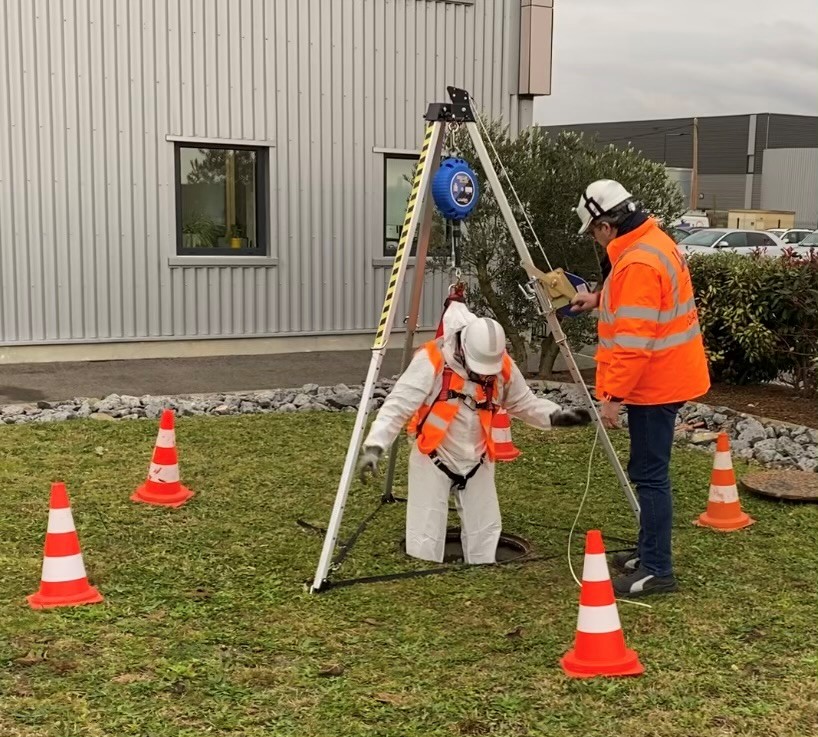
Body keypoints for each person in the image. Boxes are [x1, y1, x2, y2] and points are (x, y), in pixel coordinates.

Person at [357, 302, 591, 565]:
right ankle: (427, 583)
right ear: (464, 349)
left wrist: (556, 416)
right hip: (433, 457)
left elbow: (523, 402)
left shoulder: (501, 364)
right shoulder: (433, 360)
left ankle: (482, 568)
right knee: (424, 535)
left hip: (479, 459)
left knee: (485, 531)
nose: (483, 375)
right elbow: (398, 406)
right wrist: (374, 446)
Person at [571, 179, 710, 597]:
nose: (595, 241)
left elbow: (634, 342)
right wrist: (597, 299)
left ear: (606, 226)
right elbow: (642, 306)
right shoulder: (651, 241)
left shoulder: (636, 263)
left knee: (650, 476)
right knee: (649, 473)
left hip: (656, 383)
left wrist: (611, 398)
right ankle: (649, 552)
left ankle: (656, 570)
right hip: (668, 375)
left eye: (593, 231)